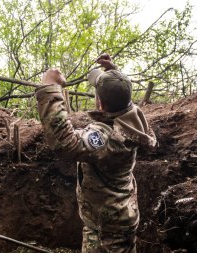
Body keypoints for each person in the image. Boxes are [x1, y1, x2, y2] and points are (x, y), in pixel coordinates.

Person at [35, 54, 157, 253]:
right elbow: (120, 97)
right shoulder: (133, 120)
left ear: (100, 103)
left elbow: (64, 142)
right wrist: (115, 75)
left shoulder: (107, 138)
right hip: (122, 215)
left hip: (106, 230)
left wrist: (50, 87)